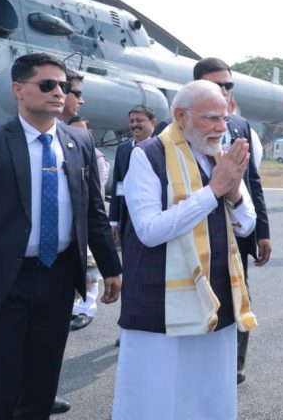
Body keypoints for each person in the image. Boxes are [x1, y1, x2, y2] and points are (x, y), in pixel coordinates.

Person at [0, 52, 122, 419]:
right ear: (18, 89)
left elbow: (92, 212)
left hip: (57, 281)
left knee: (40, 390)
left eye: (64, 86)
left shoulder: (78, 144)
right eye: (47, 85)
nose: (58, 93)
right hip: (1, 285)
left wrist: (111, 267)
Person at [112, 79, 257, 419]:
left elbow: (247, 224)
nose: (221, 128)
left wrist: (232, 192)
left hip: (213, 295)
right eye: (211, 119)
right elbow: (148, 231)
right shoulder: (146, 156)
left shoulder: (221, 155)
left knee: (208, 393)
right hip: (159, 298)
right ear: (180, 116)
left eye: (224, 118)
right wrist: (213, 191)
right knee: (154, 396)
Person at [192, 57, 271, 384]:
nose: (225, 91)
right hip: (195, 233)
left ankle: (233, 367)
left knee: (239, 297)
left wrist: (262, 232)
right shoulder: (180, 127)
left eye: (228, 85)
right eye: (216, 84)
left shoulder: (240, 127)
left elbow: (253, 181)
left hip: (238, 233)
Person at [67, 116, 111, 332]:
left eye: (81, 132)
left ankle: (88, 308)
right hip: (71, 223)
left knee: (90, 270)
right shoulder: (65, 152)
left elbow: (93, 192)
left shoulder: (96, 157)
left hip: (86, 222)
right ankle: (74, 307)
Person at [109, 104, 158, 242]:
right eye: (131, 121)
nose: (134, 124)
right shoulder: (123, 149)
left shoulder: (162, 148)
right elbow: (118, 185)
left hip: (152, 216)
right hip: (126, 217)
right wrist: (114, 220)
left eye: (139, 120)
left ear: (152, 122)